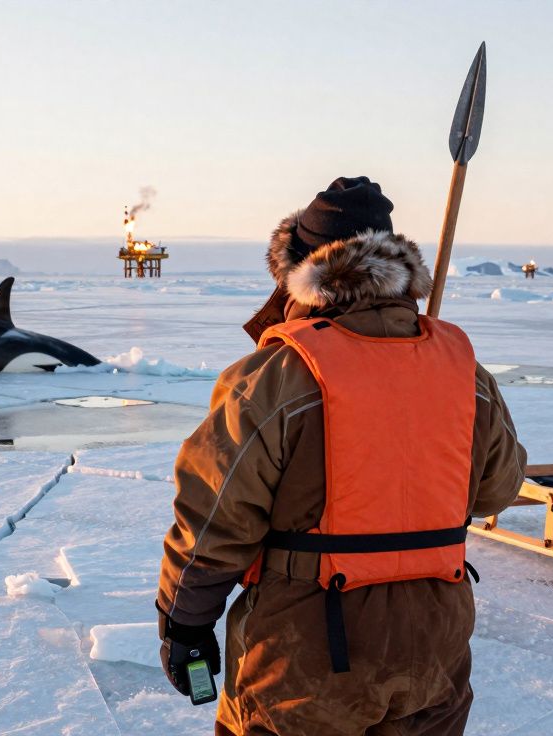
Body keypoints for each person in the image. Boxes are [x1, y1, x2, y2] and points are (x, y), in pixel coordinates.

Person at [156, 176, 527, 735]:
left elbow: (214, 518)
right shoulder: (463, 373)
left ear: (297, 273)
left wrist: (184, 622)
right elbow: (499, 488)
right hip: (433, 645)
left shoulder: (277, 376)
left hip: (305, 657)